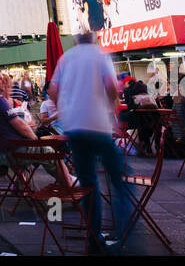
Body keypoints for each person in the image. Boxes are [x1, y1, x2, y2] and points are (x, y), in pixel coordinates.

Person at [48, 31, 131, 253]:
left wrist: (64, 110)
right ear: (93, 39)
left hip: (75, 128)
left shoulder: (65, 58)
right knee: (119, 179)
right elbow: (112, 87)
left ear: (75, 40)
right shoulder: (99, 55)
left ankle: (95, 238)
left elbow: (52, 90)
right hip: (98, 125)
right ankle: (127, 234)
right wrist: (112, 112)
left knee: (88, 184)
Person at [0, 69, 74, 187]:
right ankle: (70, 185)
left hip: (0, 152)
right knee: (50, 152)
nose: (3, 82)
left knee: (43, 150)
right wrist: (35, 139)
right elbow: (20, 125)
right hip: (13, 153)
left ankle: (21, 186)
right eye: (0, 79)